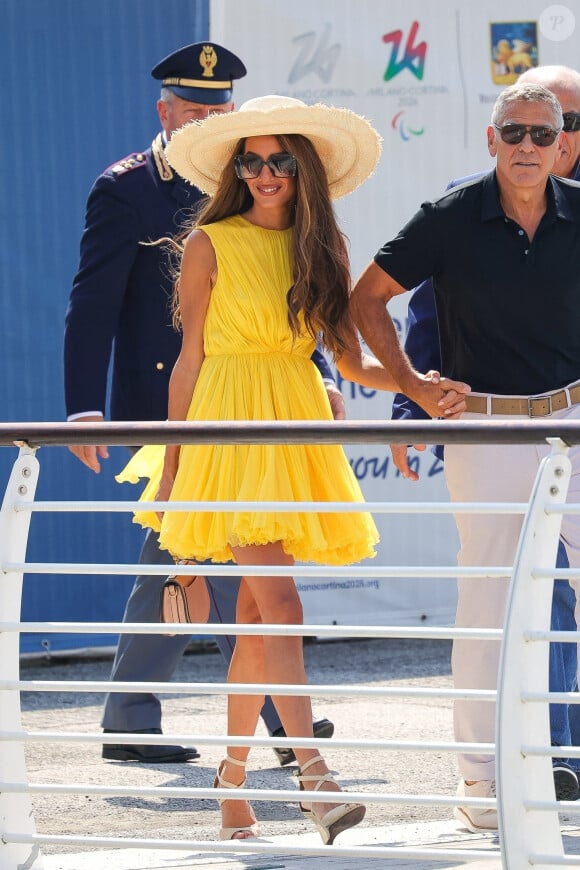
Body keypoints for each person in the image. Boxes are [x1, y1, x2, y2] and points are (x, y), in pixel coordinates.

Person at [116, 94, 469, 841]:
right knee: (281, 608)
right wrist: (177, 468)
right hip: (227, 428)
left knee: (254, 618)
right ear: (236, 169)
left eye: (280, 159)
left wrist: (414, 386)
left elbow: (349, 360)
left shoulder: (323, 247)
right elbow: (188, 363)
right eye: (253, 160)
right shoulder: (209, 242)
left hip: (294, 420)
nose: (267, 172)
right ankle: (314, 773)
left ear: (302, 168)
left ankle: (233, 783)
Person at [63, 42, 336, 765]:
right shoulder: (127, 187)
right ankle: (280, 722)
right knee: (215, 558)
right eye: (193, 110)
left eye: (218, 110)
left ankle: (139, 716)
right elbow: (92, 302)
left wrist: (319, 365)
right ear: (165, 112)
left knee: (194, 555)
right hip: (175, 403)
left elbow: (279, 289)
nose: (205, 121)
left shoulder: (254, 180)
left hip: (258, 404)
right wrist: (84, 407)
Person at [350, 81, 580, 834]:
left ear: (561, 144)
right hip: (485, 432)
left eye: (541, 134)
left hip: (575, 421)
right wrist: (411, 385)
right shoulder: (448, 218)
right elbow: (366, 299)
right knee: (487, 605)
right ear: (490, 139)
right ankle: (480, 782)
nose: (526, 145)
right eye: (512, 131)